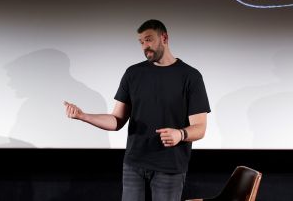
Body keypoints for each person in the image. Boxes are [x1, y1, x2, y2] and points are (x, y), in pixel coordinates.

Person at [64, 19, 211, 201]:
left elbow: (200, 128)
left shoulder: (190, 77)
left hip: (170, 167)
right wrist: (83, 116)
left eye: (149, 39)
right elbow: (116, 120)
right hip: (134, 165)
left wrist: (180, 134)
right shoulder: (133, 74)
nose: (145, 46)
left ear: (164, 37)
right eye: (141, 42)